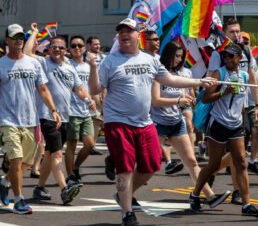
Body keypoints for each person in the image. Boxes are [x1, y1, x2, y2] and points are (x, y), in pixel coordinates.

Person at [88, 18, 217, 226]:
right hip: (118, 122)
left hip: (144, 122)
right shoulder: (110, 61)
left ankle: (124, 194)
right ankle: (127, 214)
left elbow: (170, 80)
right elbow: (94, 90)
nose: (123, 35)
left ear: (137, 35)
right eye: (120, 32)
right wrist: (93, 68)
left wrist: (199, 81)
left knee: (151, 165)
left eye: (128, 31)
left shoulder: (150, 60)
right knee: (125, 169)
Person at [0, 24, 61, 214]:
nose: (18, 40)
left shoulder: (34, 64)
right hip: (9, 121)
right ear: (7, 41)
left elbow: (42, 89)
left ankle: (3, 182)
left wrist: (53, 110)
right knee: (16, 161)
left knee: (26, 164)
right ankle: (19, 200)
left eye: (20, 37)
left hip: (31, 121)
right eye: (14, 37)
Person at [152, 41, 230, 210]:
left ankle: (209, 197)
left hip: (176, 122)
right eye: (176, 56)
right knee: (146, 166)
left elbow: (186, 94)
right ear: (167, 55)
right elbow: (156, 101)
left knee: (192, 162)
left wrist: (188, 100)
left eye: (181, 57)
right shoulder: (158, 72)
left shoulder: (179, 74)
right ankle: (127, 193)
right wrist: (178, 100)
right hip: (157, 124)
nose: (178, 60)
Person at [190, 43, 258, 218]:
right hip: (218, 123)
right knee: (214, 164)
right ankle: (195, 194)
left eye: (232, 56)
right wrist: (223, 92)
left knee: (242, 162)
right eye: (226, 56)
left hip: (236, 124)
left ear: (240, 58)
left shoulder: (245, 76)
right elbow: (206, 98)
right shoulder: (219, 73)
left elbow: (245, 100)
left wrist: (253, 112)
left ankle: (247, 205)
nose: (228, 59)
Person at [23, 24, 84, 204]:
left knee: (50, 154)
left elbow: (79, 89)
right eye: (53, 47)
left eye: (60, 47)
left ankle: (39, 187)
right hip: (47, 115)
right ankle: (65, 188)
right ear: (48, 50)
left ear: (66, 51)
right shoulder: (43, 63)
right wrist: (34, 33)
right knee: (57, 154)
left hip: (64, 117)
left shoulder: (70, 68)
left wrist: (90, 101)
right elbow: (26, 54)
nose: (57, 50)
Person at [143, 30, 183, 175]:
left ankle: (169, 162)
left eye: (158, 39)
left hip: (162, 111)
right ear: (145, 41)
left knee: (157, 143)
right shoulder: (140, 58)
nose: (157, 42)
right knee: (145, 152)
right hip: (144, 105)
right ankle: (115, 161)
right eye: (153, 39)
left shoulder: (160, 60)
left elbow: (169, 80)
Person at [66, 35, 97, 184]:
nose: (77, 48)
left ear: (85, 48)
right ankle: (70, 175)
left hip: (86, 111)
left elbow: (94, 86)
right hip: (71, 111)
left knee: (90, 144)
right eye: (73, 46)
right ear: (70, 49)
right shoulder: (67, 65)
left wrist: (96, 101)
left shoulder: (89, 66)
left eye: (80, 45)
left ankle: (76, 167)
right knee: (71, 145)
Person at [85, 36, 105, 156]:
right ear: (88, 45)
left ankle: (91, 145)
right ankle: (88, 144)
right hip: (87, 92)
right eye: (95, 44)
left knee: (97, 120)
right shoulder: (84, 57)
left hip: (100, 90)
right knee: (89, 119)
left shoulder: (103, 57)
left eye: (98, 44)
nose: (98, 46)